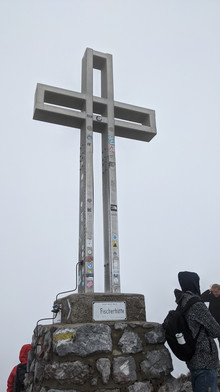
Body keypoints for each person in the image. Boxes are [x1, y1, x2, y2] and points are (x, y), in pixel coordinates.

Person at [174, 271, 220, 392]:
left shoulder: (182, 302)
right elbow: (216, 330)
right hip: (205, 361)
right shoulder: (196, 304)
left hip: (193, 359)